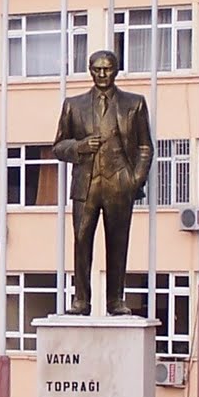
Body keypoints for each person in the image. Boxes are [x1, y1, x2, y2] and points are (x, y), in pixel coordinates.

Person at [53, 50, 153, 315]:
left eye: (107, 69)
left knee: (118, 242)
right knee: (81, 240)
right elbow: (58, 146)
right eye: (96, 69)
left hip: (120, 182)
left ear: (116, 70)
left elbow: (145, 146)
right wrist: (80, 146)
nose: (102, 74)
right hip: (85, 184)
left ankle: (115, 300)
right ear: (89, 70)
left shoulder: (134, 103)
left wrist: (135, 180)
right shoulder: (73, 105)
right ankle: (81, 300)